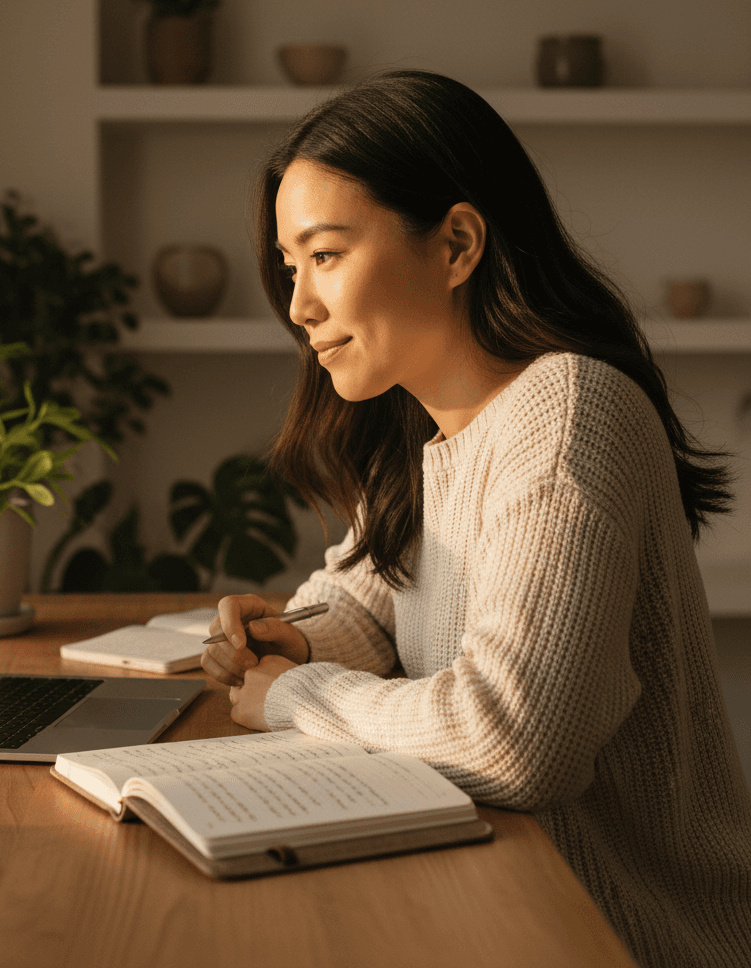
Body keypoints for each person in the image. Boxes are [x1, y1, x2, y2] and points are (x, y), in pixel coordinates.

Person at [201, 70, 751, 968]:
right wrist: (293, 640)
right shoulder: (423, 423)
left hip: (631, 939)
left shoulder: (570, 415)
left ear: (457, 244)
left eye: (327, 256)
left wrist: (296, 696)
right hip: (499, 907)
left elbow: (514, 740)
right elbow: (371, 603)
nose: (299, 307)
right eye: (291, 267)